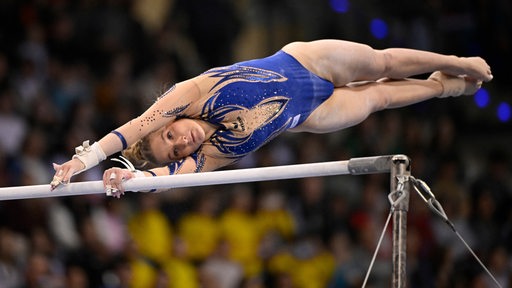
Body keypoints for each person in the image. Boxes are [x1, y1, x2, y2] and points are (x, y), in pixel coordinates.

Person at [50, 39, 493, 197]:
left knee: (381, 64)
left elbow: (133, 127)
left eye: (171, 136)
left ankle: (456, 60)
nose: (182, 141)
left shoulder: (191, 93)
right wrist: (137, 180)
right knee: (378, 100)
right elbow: (172, 178)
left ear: (168, 122)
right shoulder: (214, 154)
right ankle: (444, 86)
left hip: (306, 62)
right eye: (178, 150)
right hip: (311, 114)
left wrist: (83, 161)